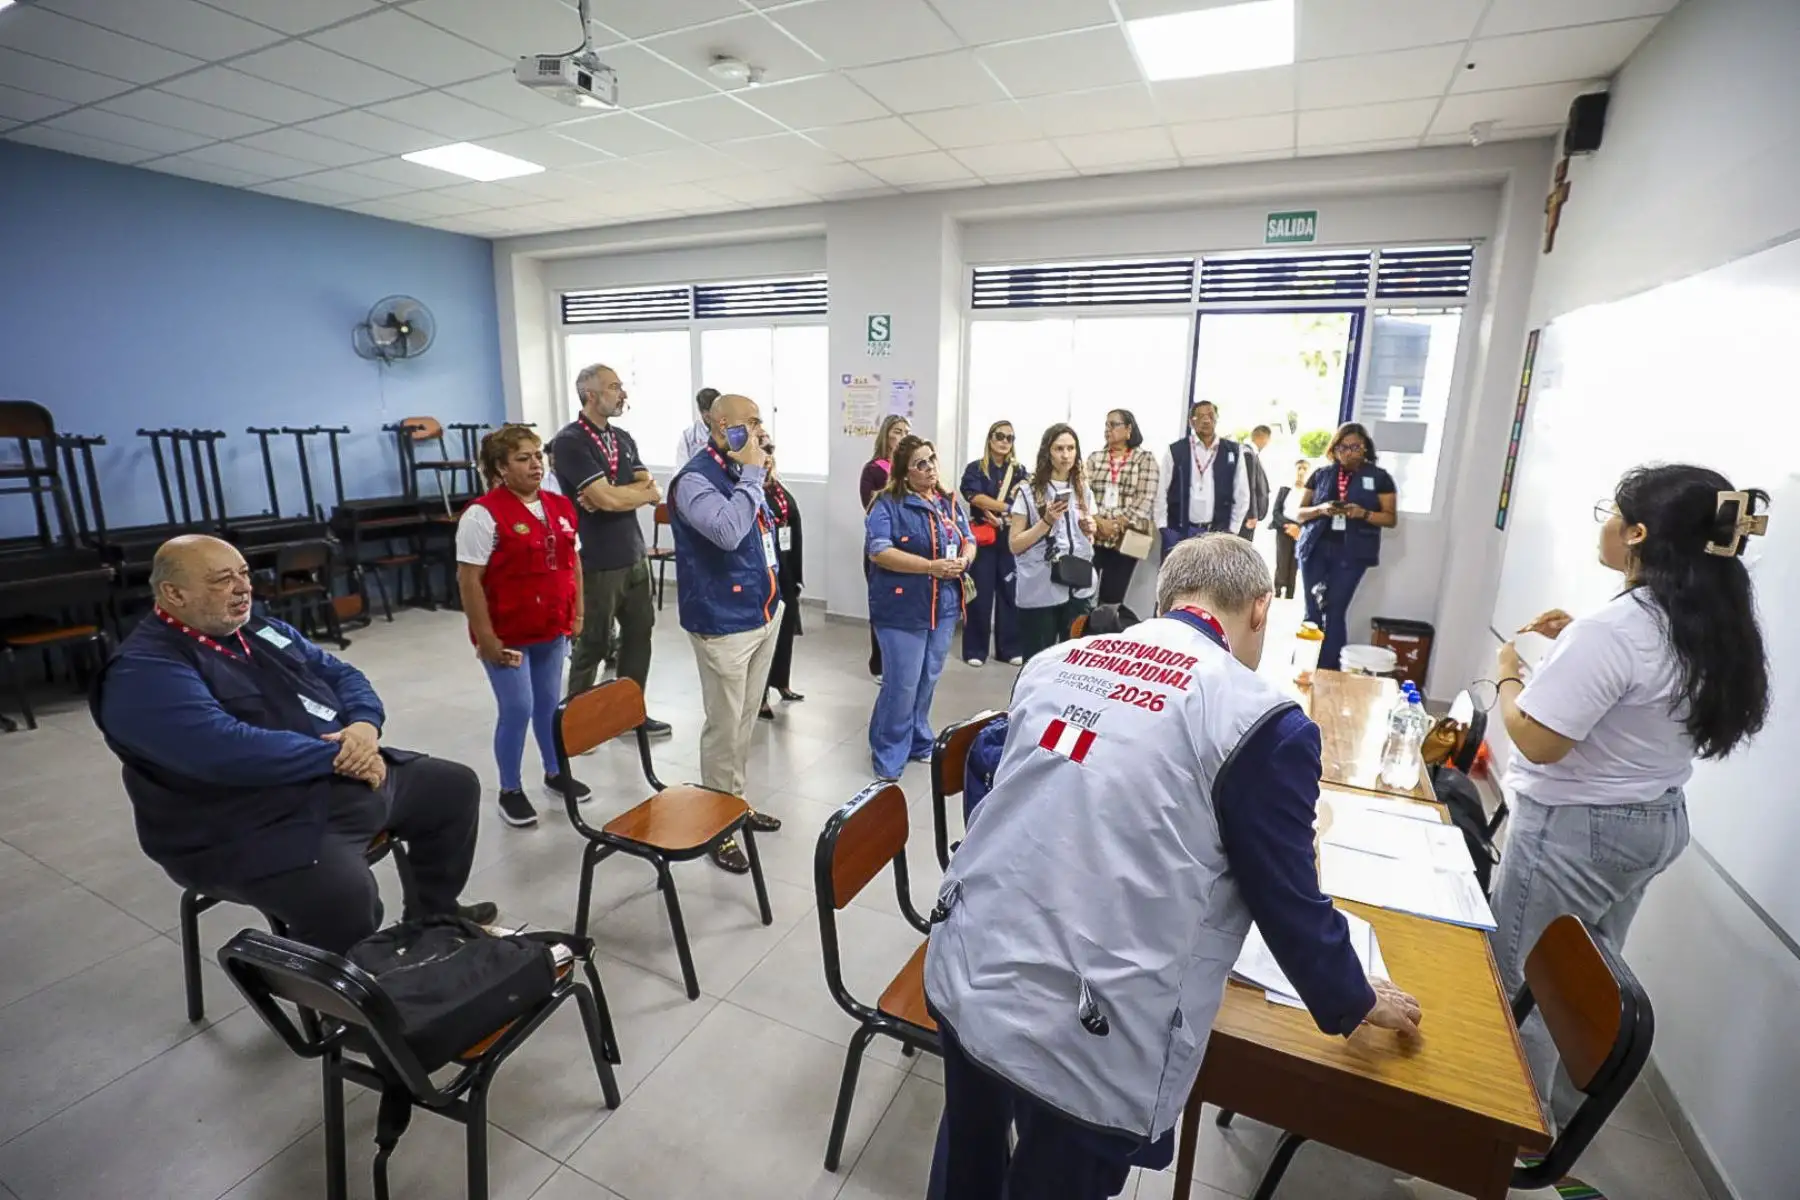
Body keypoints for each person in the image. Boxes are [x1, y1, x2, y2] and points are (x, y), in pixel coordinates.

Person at [923, 535, 1422, 1199]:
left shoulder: (1055, 662)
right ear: (1259, 612)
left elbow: (1036, 779)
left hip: (970, 965)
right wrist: (1354, 999)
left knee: (967, 1162)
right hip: (1086, 1029)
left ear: (1163, 599)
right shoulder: (1259, 722)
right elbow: (1289, 902)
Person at [1490, 465, 1769, 1129]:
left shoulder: (1615, 631)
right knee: (1579, 984)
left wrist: (1509, 675)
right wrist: (1570, 656)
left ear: (1639, 533)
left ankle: (1514, 1138)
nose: (1605, 524)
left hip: (1575, 832)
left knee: (1521, 984)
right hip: (1651, 824)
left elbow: (1538, 741)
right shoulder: (1703, 618)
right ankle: (1552, 1111)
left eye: (1610, 513)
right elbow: (1642, 692)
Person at [92, 535, 495, 955]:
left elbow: (342, 675)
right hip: (242, 823)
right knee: (343, 898)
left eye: (244, 574)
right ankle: (344, 1007)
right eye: (222, 580)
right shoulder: (144, 671)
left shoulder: (262, 629)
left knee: (453, 788)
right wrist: (341, 756)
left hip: (334, 780)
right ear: (174, 593)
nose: (243, 587)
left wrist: (363, 727)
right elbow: (225, 750)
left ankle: (432, 918)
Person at [668, 392, 786, 873]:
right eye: (750, 422)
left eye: (761, 422)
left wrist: (761, 474)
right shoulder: (695, 480)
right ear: (721, 426)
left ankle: (735, 804)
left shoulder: (744, 470)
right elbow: (728, 532)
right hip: (723, 622)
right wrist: (754, 476)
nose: (758, 431)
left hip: (762, 612)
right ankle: (717, 826)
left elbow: (768, 525)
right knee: (724, 728)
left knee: (743, 725)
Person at [456, 425, 589, 828]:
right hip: (507, 633)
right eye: (522, 458)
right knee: (517, 708)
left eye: (537, 455)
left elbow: (574, 564)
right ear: (500, 467)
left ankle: (554, 772)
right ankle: (510, 789)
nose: (535, 464)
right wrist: (487, 638)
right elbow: (469, 581)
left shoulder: (560, 506)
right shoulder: (482, 514)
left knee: (549, 706)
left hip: (552, 627)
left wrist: (578, 614)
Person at [550, 363, 671, 737]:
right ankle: (580, 724)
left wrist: (624, 495)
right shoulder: (570, 441)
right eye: (614, 387)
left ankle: (630, 714)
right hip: (596, 560)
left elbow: (649, 486)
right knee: (593, 645)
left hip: (633, 555)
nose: (623, 394)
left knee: (639, 638)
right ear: (590, 394)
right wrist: (618, 495)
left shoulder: (622, 437)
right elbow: (604, 498)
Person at [866, 434, 976, 781]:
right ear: (904, 472)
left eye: (932, 460)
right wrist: (930, 567)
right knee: (902, 683)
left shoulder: (947, 500)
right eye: (920, 464)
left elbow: (969, 539)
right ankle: (888, 749)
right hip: (901, 608)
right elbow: (879, 551)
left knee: (927, 679)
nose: (930, 468)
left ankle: (918, 739)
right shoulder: (887, 504)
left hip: (942, 606)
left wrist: (963, 560)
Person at [1293, 423, 1397, 671]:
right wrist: (1320, 509)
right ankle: (1305, 668)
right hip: (1315, 549)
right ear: (1334, 449)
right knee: (1312, 612)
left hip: (1353, 553)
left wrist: (1363, 513)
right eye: (1343, 447)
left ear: (1365, 449)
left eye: (1356, 447)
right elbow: (1299, 513)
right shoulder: (1321, 474)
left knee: (1335, 611)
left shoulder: (1380, 478)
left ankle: (1329, 671)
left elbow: (1390, 518)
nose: (1349, 452)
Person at [1009, 424, 1098, 659]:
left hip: (1077, 586)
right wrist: (1046, 522)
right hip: (1041, 588)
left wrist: (1090, 528)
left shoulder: (1083, 489)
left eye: (1071, 448)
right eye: (1059, 448)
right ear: (1047, 452)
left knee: (1073, 660)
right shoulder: (1028, 491)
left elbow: (1085, 534)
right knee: (1038, 660)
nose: (1066, 455)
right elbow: (1015, 544)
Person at [959, 421, 1024, 668]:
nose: (1004, 441)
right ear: (990, 438)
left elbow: (1024, 498)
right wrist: (1005, 507)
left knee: (1010, 594)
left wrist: (1003, 513)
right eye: (1000, 436)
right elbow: (974, 496)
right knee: (980, 594)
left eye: (1010, 437)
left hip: (1009, 538)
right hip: (983, 539)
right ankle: (975, 649)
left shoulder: (1019, 471)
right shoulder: (976, 469)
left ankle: (1010, 648)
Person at [1084, 408, 1160, 605]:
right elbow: (1083, 495)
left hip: (1127, 536)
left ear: (1129, 430)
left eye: (1114, 424)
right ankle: (1081, 634)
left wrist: (1116, 525)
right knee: (1083, 593)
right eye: (1106, 425)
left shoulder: (1145, 459)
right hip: (1095, 534)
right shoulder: (1094, 458)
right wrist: (1098, 522)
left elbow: (1145, 498)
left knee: (1112, 598)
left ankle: (1105, 635)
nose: (1108, 429)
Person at [1157, 401, 1250, 556]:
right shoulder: (1176, 450)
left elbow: (1242, 494)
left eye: (1210, 415)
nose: (1206, 420)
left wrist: (1232, 531)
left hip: (1217, 534)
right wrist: (1164, 528)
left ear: (1216, 419)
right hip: (1179, 531)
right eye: (1200, 416)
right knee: (1176, 578)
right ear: (1191, 422)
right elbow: (1161, 492)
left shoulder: (1232, 451)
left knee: (1212, 579)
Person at [859, 415, 911, 680]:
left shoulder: (912, 470)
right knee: (882, 606)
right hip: (882, 547)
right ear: (886, 436)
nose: (901, 436)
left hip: (910, 549)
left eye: (905, 432)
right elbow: (869, 507)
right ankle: (878, 663)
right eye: (896, 432)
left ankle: (899, 661)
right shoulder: (874, 470)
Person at [758, 443, 805, 722]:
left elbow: (794, 533)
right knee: (765, 638)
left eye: (770, 458)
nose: (767, 463)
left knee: (785, 631)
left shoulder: (778, 490)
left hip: (786, 572)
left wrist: (796, 576)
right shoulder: (749, 493)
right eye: (762, 458)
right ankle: (759, 695)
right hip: (765, 574)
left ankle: (781, 682)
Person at [1272, 458, 1308, 599]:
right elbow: (1276, 511)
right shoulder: (1285, 490)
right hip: (1284, 528)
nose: (1301, 472)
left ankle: (1290, 591)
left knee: (1295, 561)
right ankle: (1278, 588)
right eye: (1299, 468)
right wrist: (1286, 525)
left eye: (1304, 469)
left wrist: (1299, 528)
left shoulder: (1309, 492)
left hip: (1300, 530)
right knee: (1282, 559)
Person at [676, 386, 721, 469]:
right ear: (701, 411)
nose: (713, 417)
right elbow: (681, 469)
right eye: (708, 415)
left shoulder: (729, 430)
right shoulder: (688, 436)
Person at [1241, 424, 1272, 540]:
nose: (1267, 443)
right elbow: (1249, 486)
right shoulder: (1248, 454)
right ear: (1263, 437)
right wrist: (1252, 514)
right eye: (1268, 440)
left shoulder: (1250, 453)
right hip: (1246, 517)